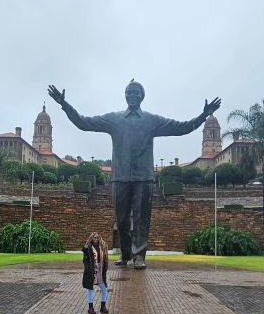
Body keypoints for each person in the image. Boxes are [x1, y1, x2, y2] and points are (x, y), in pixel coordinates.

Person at [49, 80, 220, 269]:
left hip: (144, 177)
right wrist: (64, 105)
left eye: (135, 93)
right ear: (125, 95)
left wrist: (204, 115)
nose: (132, 95)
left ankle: (139, 255)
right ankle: (126, 252)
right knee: (121, 220)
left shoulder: (151, 120)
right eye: (129, 92)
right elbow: (83, 122)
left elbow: (181, 127)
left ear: (142, 96)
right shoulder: (114, 119)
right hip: (120, 176)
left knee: (141, 219)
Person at [82, 232, 109, 314]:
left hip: (100, 270)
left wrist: (104, 268)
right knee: (90, 289)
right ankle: (90, 308)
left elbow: (105, 259)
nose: (96, 239)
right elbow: (85, 260)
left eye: (97, 238)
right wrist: (88, 268)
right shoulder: (88, 247)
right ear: (91, 238)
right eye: (94, 238)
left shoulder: (102, 247)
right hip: (91, 270)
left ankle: (103, 306)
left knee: (104, 288)